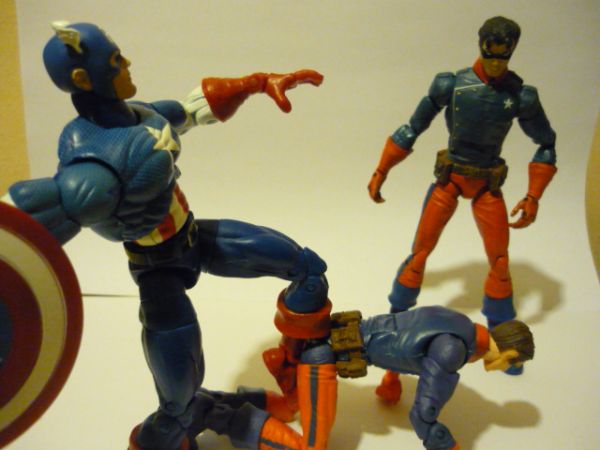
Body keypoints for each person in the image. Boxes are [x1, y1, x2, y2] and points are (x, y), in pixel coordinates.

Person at [2, 21, 329, 450]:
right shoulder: (90, 162)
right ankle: (186, 426)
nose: (127, 62)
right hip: (159, 273)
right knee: (177, 402)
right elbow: (31, 219)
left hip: (194, 240)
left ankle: (294, 368)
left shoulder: (142, 116)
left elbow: (191, 110)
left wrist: (257, 82)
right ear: (83, 77)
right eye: (115, 59)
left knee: (307, 269)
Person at [366, 16, 556, 364]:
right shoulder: (451, 85)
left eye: (504, 54)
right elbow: (413, 127)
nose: (496, 61)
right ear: (481, 45)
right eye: (490, 52)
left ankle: (504, 349)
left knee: (500, 263)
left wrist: (534, 195)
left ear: (513, 51)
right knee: (418, 256)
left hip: (486, 185)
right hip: (450, 180)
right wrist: (382, 169)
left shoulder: (520, 95)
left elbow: (546, 143)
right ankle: (392, 331)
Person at [194, 306, 534, 450]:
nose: (504, 368)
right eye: (510, 364)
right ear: (509, 355)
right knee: (310, 447)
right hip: (323, 358)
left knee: (287, 408)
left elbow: (405, 333)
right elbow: (424, 416)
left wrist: (391, 380)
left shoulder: (457, 321)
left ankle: (215, 401)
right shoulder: (453, 350)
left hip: (326, 338)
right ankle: (216, 415)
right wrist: (446, 445)